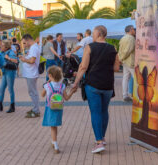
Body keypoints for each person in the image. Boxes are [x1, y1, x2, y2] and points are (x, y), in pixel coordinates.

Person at [72, 25, 120, 154]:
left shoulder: (90, 47)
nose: (92, 35)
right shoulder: (113, 48)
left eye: (93, 33)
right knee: (104, 111)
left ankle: (99, 142)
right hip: (108, 85)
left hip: (93, 84)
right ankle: (102, 138)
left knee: (95, 112)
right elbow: (116, 68)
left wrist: (76, 82)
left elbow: (83, 67)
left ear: (99, 33)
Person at [41, 66, 75, 154]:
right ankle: (53, 141)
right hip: (59, 108)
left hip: (50, 108)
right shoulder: (62, 86)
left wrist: (46, 84)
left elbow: (42, 95)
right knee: (55, 126)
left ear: (50, 75)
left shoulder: (47, 86)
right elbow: (66, 98)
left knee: (53, 127)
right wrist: (71, 92)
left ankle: (55, 144)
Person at [20, 34, 41, 118]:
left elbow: (32, 61)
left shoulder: (34, 48)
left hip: (31, 74)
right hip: (30, 73)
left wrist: (24, 59)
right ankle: (35, 108)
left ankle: (36, 110)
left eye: (25, 43)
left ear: (28, 40)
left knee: (33, 93)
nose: (24, 45)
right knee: (32, 92)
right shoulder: (33, 47)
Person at [0, 39, 18, 113]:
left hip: (10, 72)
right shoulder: (2, 52)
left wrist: (8, 58)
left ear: (6, 47)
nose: (1, 46)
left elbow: (16, 61)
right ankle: (0, 104)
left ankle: (12, 106)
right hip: (4, 72)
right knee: (1, 88)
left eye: (2, 45)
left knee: (10, 89)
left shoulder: (11, 52)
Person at [118, 25, 136, 102]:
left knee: (125, 78)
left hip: (125, 61)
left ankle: (125, 95)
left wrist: (120, 58)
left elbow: (120, 50)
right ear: (131, 30)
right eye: (133, 29)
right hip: (131, 61)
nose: (135, 31)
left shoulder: (123, 38)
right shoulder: (131, 38)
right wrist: (122, 58)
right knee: (137, 78)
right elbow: (128, 50)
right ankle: (138, 96)